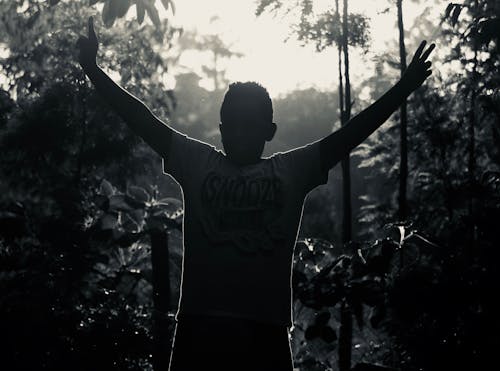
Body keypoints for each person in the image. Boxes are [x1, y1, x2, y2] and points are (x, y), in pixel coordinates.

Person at [77, 16, 435, 371]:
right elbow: (142, 120)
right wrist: (93, 70)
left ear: (270, 130)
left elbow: (350, 134)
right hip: (200, 327)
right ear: (221, 130)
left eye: (250, 125)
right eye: (234, 125)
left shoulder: (291, 170)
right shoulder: (197, 162)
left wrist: (404, 88)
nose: (242, 133)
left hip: (265, 329)